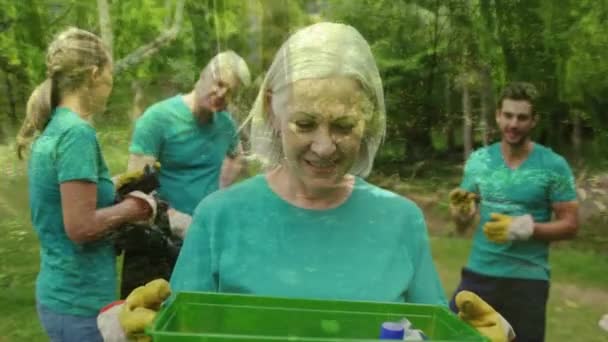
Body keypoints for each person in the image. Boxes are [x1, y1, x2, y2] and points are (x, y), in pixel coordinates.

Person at [99, 22, 513, 342]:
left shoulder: (400, 220)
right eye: (305, 123)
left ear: (369, 121)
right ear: (272, 111)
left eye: (344, 126)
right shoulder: (219, 217)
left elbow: (429, 332)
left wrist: (473, 336)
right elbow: (180, 330)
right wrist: (137, 330)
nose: (325, 146)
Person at [15, 27, 155, 342]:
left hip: (59, 294)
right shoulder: (77, 133)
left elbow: (67, 195)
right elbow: (80, 227)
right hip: (80, 304)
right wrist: (136, 207)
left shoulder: (53, 128)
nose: (109, 89)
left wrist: (116, 182)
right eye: (109, 80)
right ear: (93, 75)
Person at [448, 82, 579, 341]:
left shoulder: (553, 165)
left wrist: (525, 228)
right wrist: (461, 214)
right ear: (498, 116)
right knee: (450, 335)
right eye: (508, 115)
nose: (513, 124)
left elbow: (571, 225)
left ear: (533, 121)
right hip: (479, 274)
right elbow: (462, 225)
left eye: (522, 117)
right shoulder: (479, 161)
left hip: (528, 279)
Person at [116, 50, 251, 297]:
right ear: (202, 76)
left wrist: (222, 192)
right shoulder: (157, 119)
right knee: (147, 322)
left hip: (202, 241)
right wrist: (175, 219)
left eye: (230, 91)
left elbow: (236, 157)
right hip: (154, 242)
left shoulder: (225, 125)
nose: (221, 94)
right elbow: (134, 187)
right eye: (219, 84)